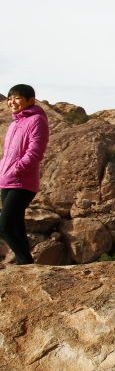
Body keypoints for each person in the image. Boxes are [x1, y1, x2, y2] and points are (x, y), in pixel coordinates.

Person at [0, 84, 49, 265]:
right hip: (6, 181)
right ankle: (24, 263)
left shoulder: (37, 120)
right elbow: (8, 155)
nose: (12, 101)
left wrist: (15, 170)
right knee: (17, 226)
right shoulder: (14, 124)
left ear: (31, 100)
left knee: (4, 227)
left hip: (23, 182)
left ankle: (25, 261)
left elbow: (34, 153)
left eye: (18, 98)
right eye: (10, 98)